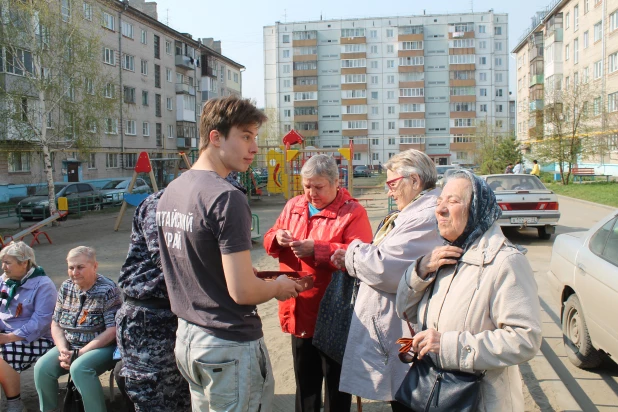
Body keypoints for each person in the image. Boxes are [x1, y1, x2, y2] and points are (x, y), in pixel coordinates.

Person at [157, 95, 302, 411]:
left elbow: (198, 265)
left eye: (255, 138)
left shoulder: (172, 191)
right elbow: (243, 291)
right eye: (245, 136)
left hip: (188, 338)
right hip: (228, 344)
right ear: (215, 137)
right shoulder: (226, 198)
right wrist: (278, 287)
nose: (254, 148)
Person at [395, 170, 542, 411]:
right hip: (434, 389)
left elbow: (525, 339)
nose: (440, 209)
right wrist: (419, 271)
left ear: (476, 208)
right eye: (440, 201)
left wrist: (447, 344)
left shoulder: (504, 262)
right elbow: (405, 310)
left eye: (452, 201)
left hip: (480, 399)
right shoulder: (443, 254)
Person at [330, 149, 443, 412]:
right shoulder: (417, 211)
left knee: (408, 399)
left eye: (392, 184)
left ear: (414, 181)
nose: (389, 192)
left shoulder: (425, 216)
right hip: (400, 329)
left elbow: (384, 268)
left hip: (408, 331)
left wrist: (353, 252)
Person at [264, 154, 373, 412]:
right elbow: (269, 238)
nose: (311, 193)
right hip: (299, 309)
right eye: (307, 186)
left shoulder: (352, 212)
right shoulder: (293, 206)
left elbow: (364, 255)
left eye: (318, 186)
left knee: (337, 388)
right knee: (306, 386)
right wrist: (277, 237)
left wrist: (319, 250)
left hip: (335, 313)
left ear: (337, 182)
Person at [115, 190, 190, 412]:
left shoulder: (198, 200)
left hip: (180, 316)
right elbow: (169, 260)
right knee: (155, 402)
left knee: (183, 401)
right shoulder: (162, 203)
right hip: (148, 321)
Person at [34, 246, 122, 412]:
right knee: (42, 368)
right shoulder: (66, 287)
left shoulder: (108, 289)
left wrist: (79, 354)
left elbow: (112, 330)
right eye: (71, 267)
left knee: (80, 367)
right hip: (70, 345)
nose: (75, 272)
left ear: (94, 266)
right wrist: (63, 350)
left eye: (80, 267)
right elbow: (56, 324)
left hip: (102, 346)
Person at [0, 242, 56, 412]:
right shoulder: (4, 281)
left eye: (8, 262)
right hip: (5, 334)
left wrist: (9, 338)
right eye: (3, 262)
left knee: (3, 355)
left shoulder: (43, 285)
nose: (3, 267)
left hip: (36, 339)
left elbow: (40, 322)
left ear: (24, 263)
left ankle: (14, 403)